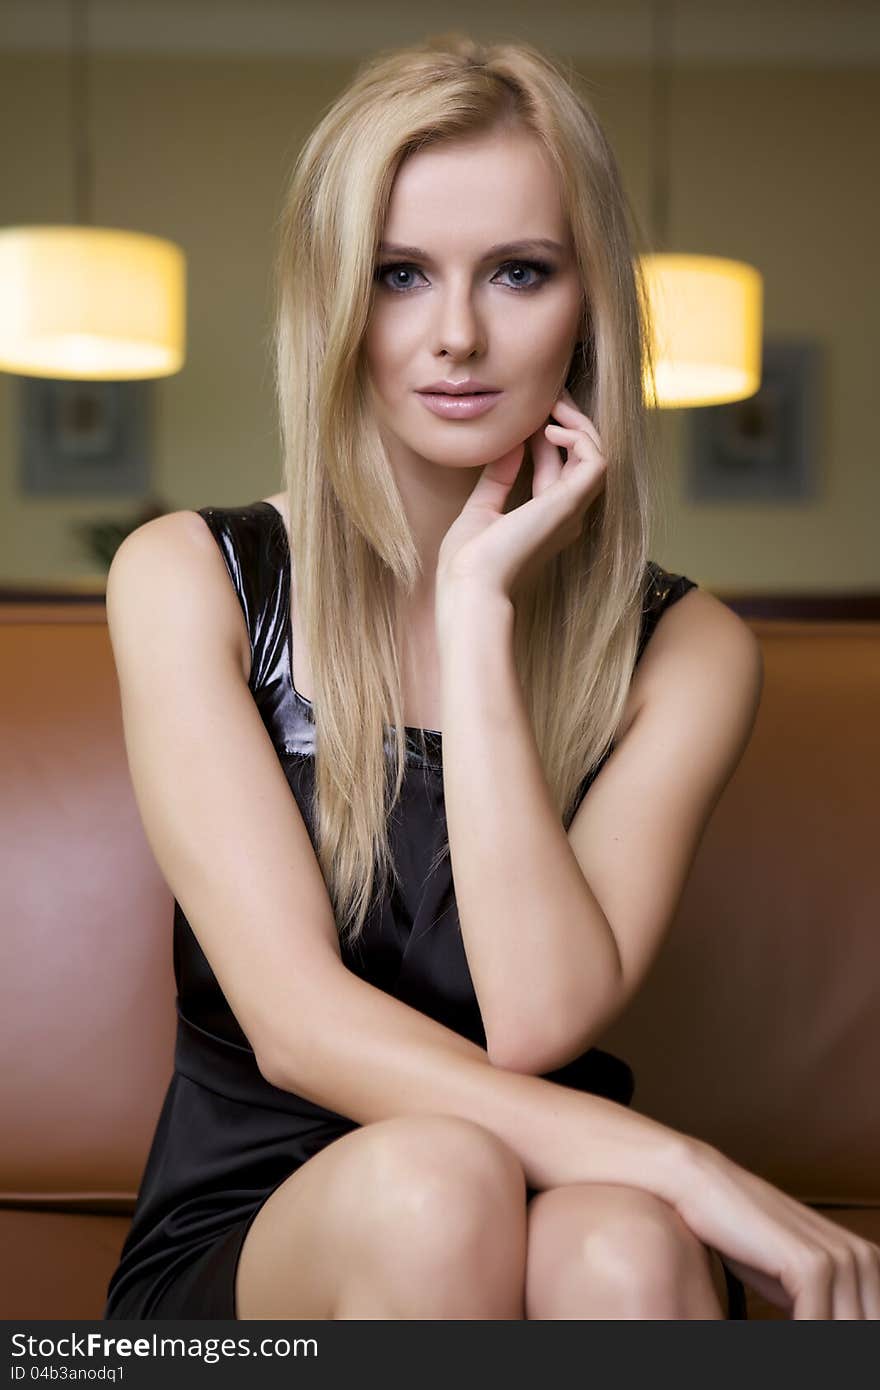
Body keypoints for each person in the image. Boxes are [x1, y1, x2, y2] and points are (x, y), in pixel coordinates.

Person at [102, 32, 880, 1321]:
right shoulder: (188, 577)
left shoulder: (688, 650)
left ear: (592, 304)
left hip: (564, 1197)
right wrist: (678, 1161)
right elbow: (297, 1025)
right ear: (334, 299)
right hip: (252, 1244)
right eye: (401, 273)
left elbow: (535, 1021)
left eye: (519, 272)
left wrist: (474, 616)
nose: (456, 335)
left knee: (624, 1250)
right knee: (438, 1186)